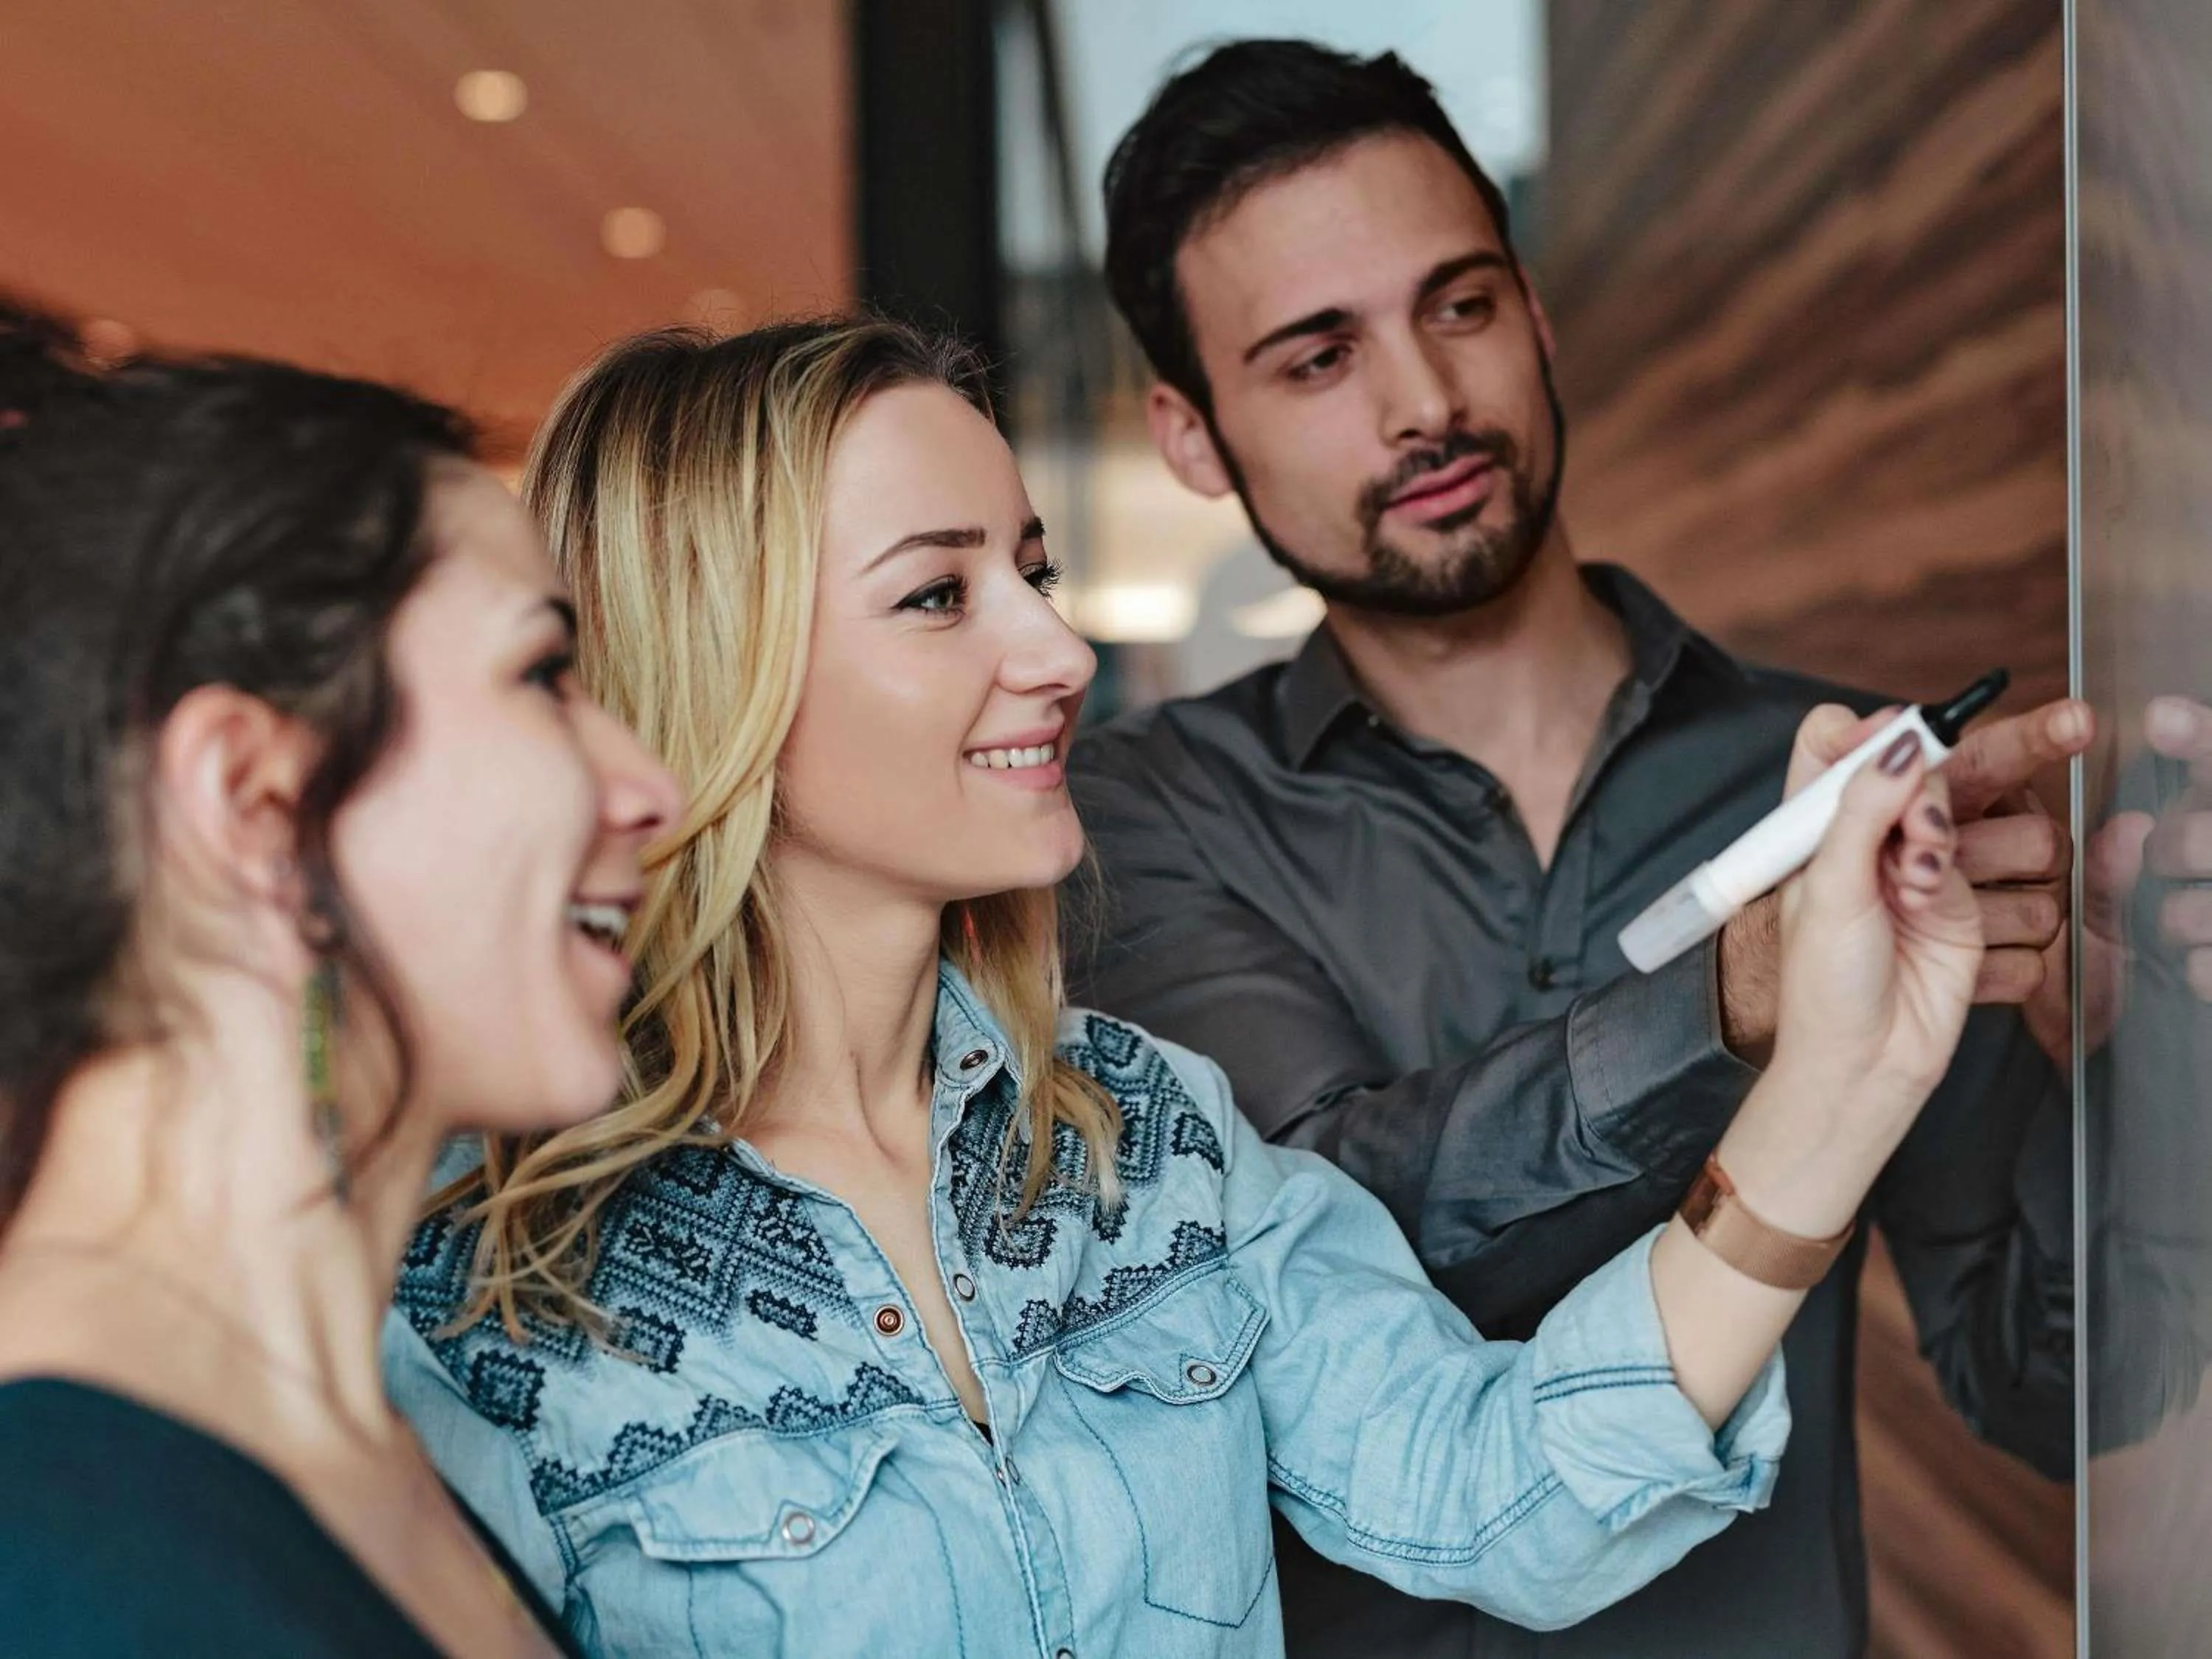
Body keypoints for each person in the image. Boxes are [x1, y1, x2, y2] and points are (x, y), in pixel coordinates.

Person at [387, 316, 1981, 1658]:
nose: (1060, 648)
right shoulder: (492, 1283)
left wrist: (1850, 1078)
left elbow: (1506, 1490)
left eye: (1035, 568)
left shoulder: (1144, 1141)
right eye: (940, 596)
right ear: (715, 672)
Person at [1068, 39, 2082, 1659]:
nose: (1426, 402)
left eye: (1458, 306)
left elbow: (2052, 1394)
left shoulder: (1830, 787)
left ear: (1534, 315)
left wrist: (2154, 1046)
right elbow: (1321, 1217)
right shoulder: (1138, 820)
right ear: (1191, 435)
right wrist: (1733, 999)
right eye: (1318, 359)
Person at [0, 305, 680, 1658]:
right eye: (542, 673)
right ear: (256, 798)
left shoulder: (344, 1438)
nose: (650, 788)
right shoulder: (43, 1546)